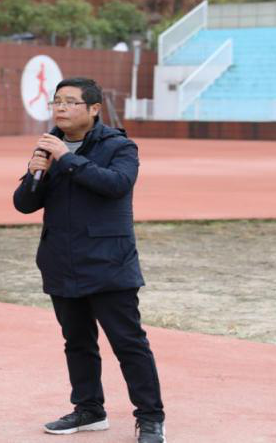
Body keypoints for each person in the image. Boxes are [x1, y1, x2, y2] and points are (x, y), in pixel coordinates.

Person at [13, 77, 166, 442]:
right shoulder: (48, 148)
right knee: (77, 342)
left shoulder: (120, 146)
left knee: (128, 343)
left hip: (108, 262)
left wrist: (67, 160)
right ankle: (89, 409)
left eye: (70, 102)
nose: (60, 108)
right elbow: (23, 204)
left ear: (94, 109)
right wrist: (38, 174)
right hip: (61, 260)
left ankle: (150, 417)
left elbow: (115, 185)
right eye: (56, 102)